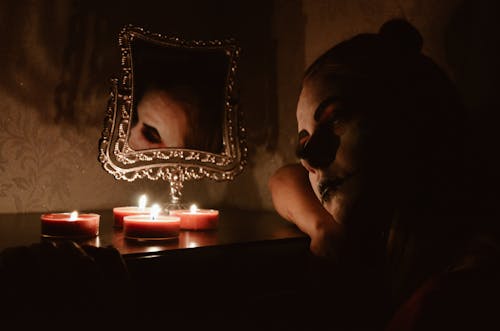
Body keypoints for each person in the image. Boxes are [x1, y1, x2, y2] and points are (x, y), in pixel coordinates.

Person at [268, 19, 500, 330]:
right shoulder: (378, 244)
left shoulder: (450, 299)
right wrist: (324, 229)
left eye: (336, 118)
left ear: (409, 115)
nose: (308, 158)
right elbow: (285, 178)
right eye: (304, 139)